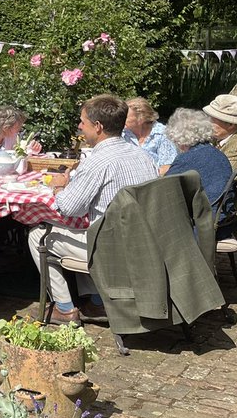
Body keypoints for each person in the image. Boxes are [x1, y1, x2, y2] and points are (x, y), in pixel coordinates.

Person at [28, 94, 158, 324]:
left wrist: (60, 188)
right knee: (91, 228)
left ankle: (65, 308)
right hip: (144, 242)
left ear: (97, 127)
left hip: (113, 249)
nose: (79, 126)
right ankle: (97, 301)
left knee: (38, 234)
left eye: (82, 121)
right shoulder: (142, 155)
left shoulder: (98, 161)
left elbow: (70, 208)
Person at [165, 107, 232, 206]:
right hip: (225, 209)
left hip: (207, 212)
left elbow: (164, 188)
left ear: (180, 139)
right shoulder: (218, 154)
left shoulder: (186, 159)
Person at [122, 97, 177, 174]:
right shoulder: (123, 133)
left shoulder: (162, 134)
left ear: (141, 118)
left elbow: (168, 166)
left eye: (125, 117)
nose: (121, 119)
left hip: (156, 180)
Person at [204, 94, 237, 171]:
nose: (208, 123)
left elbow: (219, 174)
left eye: (212, 120)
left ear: (231, 124)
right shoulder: (224, 135)